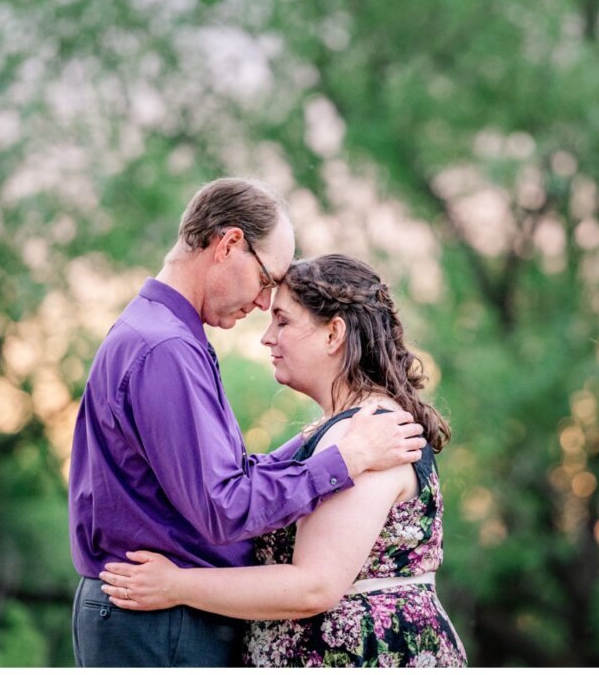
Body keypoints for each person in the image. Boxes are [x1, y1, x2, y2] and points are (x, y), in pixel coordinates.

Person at [69, 179, 426, 667]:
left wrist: (309, 447)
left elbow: (219, 480)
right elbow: (223, 507)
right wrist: (344, 458)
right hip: (159, 621)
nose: (262, 305)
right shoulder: (167, 349)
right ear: (229, 244)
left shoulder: (160, 335)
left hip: (160, 616)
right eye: (265, 281)